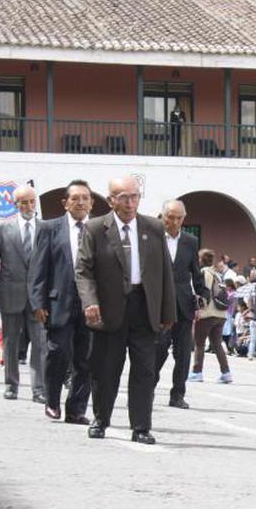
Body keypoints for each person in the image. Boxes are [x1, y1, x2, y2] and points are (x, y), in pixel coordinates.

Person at [75, 176, 176, 445]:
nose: (130, 203)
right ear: (111, 200)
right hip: (109, 309)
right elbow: (83, 270)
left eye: (134, 197)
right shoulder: (95, 228)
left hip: (144, 307)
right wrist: (90, 302)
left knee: (145, 371)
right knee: (106, 369)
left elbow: (165, 271)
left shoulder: (154, 227)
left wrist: (168, 312)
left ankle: (141, 427)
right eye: (123, 198)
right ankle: (101, 420)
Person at [28, 179, 94, 424]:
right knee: (58, 352)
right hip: (59, 302)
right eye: (75, 198)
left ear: (91, 203)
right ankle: (52, 400)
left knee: (86, 359)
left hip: (91, 304)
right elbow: (38, 268)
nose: (80, 202)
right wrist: (37, 303)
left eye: (85, 198)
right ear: (65, 203)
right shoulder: (49, 228)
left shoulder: (99, 229)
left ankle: (76, 409)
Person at [0, 184, 47, 402]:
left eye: (32, 201)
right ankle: (11, 385)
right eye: (24, 202)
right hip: (10, 293)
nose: (29, 206)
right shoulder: (2, 228)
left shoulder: (45, 228)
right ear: (15, 204)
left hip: (39, 296)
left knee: (40, 343)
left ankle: (39, 389)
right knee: (11, 342)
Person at [155, 199, 207, 409]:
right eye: (170, 217)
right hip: (159, 305)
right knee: (158, 350)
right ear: (163, 216)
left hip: (184, 304)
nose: (174, 222)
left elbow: (195, 271)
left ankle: (177, 394)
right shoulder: (153, 237)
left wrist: (202, 293)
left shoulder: (190, 241)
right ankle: (148, 387)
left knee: (184, 353)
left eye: (179, 218)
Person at [188, 249, 233, 384]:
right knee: (217, 344)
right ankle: (226, 372)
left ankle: (197, 372)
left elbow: (203, 293)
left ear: (201, 260)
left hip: (208, 313)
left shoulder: (204, 273)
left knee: (199, 343)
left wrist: (198, 309)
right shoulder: (218, 274)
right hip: (221, 313)